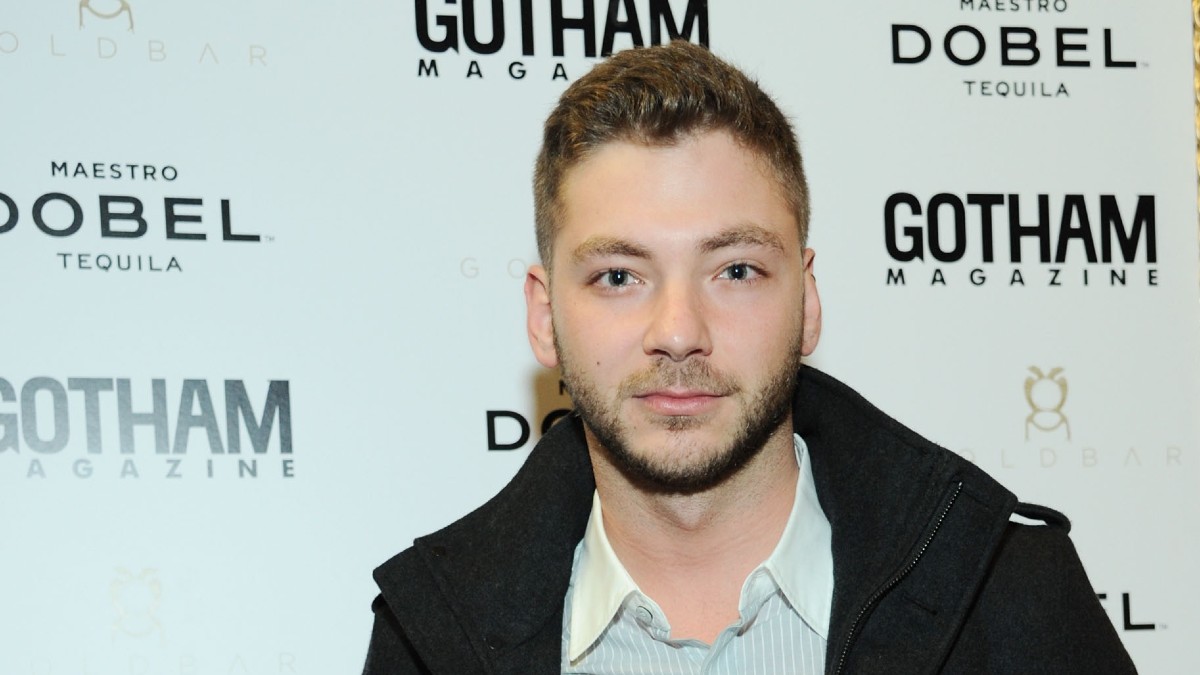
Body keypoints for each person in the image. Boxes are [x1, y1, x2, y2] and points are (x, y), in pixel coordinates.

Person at [363, 41, 1136, 674]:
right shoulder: (433, 641)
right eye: (618, 276)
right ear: (543, 316)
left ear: (807, 301)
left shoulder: (1007, 595)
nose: (678, 330)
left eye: (735, 270)